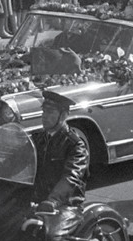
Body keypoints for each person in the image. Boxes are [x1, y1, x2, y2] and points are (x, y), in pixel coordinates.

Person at [30, 90, 88, 241]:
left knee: (51, 236)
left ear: (63, 116)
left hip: (65, 205)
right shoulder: (36, 139)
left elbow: (71, 176)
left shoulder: (75, 145)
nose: (44, 116)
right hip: (36, 201)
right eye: (44, 111)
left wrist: (53, 200)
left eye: (50, 112)